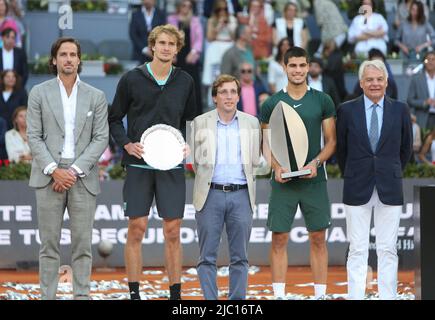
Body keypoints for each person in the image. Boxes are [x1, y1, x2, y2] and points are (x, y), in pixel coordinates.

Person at [108, 24, 197, 300]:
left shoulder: (185, 81)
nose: (166, 48)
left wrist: (188, 144)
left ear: (177, 49)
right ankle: (134, 293)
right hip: (138, 165)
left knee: (172, 231)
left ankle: (175, 295)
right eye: (161, 43)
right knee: (137, 228)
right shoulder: (131, 78)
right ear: (152, 45)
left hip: (171, 165)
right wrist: (126, 143)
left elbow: (191, 121)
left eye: (172, 44)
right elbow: (114, 118)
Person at [26, 37, 109, 300]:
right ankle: (47, 296)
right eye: (63, 54)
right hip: (48, 175)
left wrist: (72, 171)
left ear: (80, 60)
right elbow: (34, 136)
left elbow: (101, 138)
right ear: (54, 60)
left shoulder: (96, 96)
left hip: (82, 177)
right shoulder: (38, 92)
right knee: (49, 245)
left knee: (82, 245)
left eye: (73, 54)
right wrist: (54, 169)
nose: (69, 59)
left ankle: (81, 296)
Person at [259, 46, 337, 299]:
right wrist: (276, 167)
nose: (298, 70)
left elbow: (332, 141)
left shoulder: (322, 100)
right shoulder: (271, 103)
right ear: (284, 67)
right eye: (292, 65)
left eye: (302, 65)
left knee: (318, 238)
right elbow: (265, 143)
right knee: (279, 239)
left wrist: (315, 163)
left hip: (314, 181)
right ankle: (279, 296)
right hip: (282, 182)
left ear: (308, 67)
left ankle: (320, 295)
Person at [336, 59, 413, 300]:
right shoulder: (346, 110)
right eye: (369, 79)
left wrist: (388, 170)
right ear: (361, 83)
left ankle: (388, 297)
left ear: (387, 82)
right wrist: (357, 171)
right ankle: (356, 297)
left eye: (379, 79)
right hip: (356, 185)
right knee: (357, 249)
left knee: (388, 249)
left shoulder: (401, 109)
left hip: (389, 186)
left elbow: (406, 149)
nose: (375, 83)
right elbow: (342, 151)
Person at [191, 74, 261, 300]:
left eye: (233, 92)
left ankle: (236, 303)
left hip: (241, 195)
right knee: (206, 257)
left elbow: (256, 160)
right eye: (223, 92)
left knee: (240, 257)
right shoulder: (200, 122)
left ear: (239, 96)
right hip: (209, 195)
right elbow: (193, 162)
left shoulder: (252, 122)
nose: (229, 96)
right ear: (214, 97)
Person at [168, 0, 203, 116]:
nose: (186, 8)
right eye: (184, 5)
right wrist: (172, 54)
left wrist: (193, 52)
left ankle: (194, 116)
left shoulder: (195, 20)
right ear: (178, 6)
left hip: (190, 57)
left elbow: (199, 39)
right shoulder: (171, 20)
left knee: (193, 86)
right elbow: (168, 38)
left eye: (189, 6)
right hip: (176, 57)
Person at [202, 0, 237, 88]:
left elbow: (235, 37)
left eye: (225, 9)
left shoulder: (232, 19)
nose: (222, 12)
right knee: (216, 77)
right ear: (216, 10)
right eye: (219, 9)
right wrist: (218, 27)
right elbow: (209, 38)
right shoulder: (212, 20)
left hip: (229, 46)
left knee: (229, 74)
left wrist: (228, 26)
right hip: (216, 47)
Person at [129, 0, 166, 64]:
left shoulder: (161, 14)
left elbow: (163, 32)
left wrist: (154, 48)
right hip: (139, 54)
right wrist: (144, 49)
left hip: (157, 54)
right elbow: (133, 34)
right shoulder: (135, 14)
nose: (147, 1)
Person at [407, 51, 435, 129]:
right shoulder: (416, 79)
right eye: (428, 59)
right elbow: (410, 100)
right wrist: (424, 102)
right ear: (424, 62)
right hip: (422, 118)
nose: (430, 62)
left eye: (433, 59)